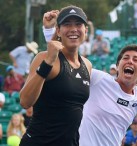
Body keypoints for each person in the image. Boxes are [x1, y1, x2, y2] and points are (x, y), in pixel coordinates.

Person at [43, 14, 137, 146]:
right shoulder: (98, 78)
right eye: (125, 58)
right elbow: (65, 61)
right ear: (118, 65)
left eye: (136, 60)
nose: (130, 62)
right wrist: (50, 32)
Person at [19, 5, 92, 146]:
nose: (73, 29)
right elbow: (25, 101)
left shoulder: (87, 65)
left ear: (85, 30)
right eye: (67, 24)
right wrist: (48, 62)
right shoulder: (44, 58)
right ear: (58, 30)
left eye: (78, 24)